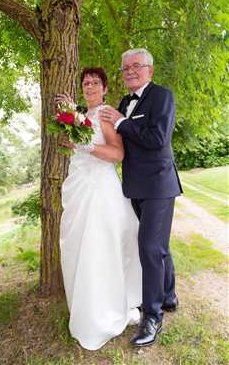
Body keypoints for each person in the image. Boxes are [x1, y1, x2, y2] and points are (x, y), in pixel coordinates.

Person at [99, 48, 183, 347]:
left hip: (159, 185)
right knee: (158, 245)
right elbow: (123, 143)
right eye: (125, 68)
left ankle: (152, 315)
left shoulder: (162, 96)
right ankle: (169, 296)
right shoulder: (124, 101)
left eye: (136, 66)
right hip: (134, 186)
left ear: (150, 69)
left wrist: (122, 122)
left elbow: (158, 138)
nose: (130, 71)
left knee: (149, 247)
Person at [56, 67, 142, 351]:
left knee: (97, 248)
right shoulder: (86, 115)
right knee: (78, 246)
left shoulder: (105, 114)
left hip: (99, 191)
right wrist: (71, 114)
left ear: (105, 88)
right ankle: (84, 305)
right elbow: (81, 128)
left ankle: (101, 312)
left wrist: (84, 146)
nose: (90, 86)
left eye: (95, 83)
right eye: (86, 83)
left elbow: (117, 154)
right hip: (79, 187)